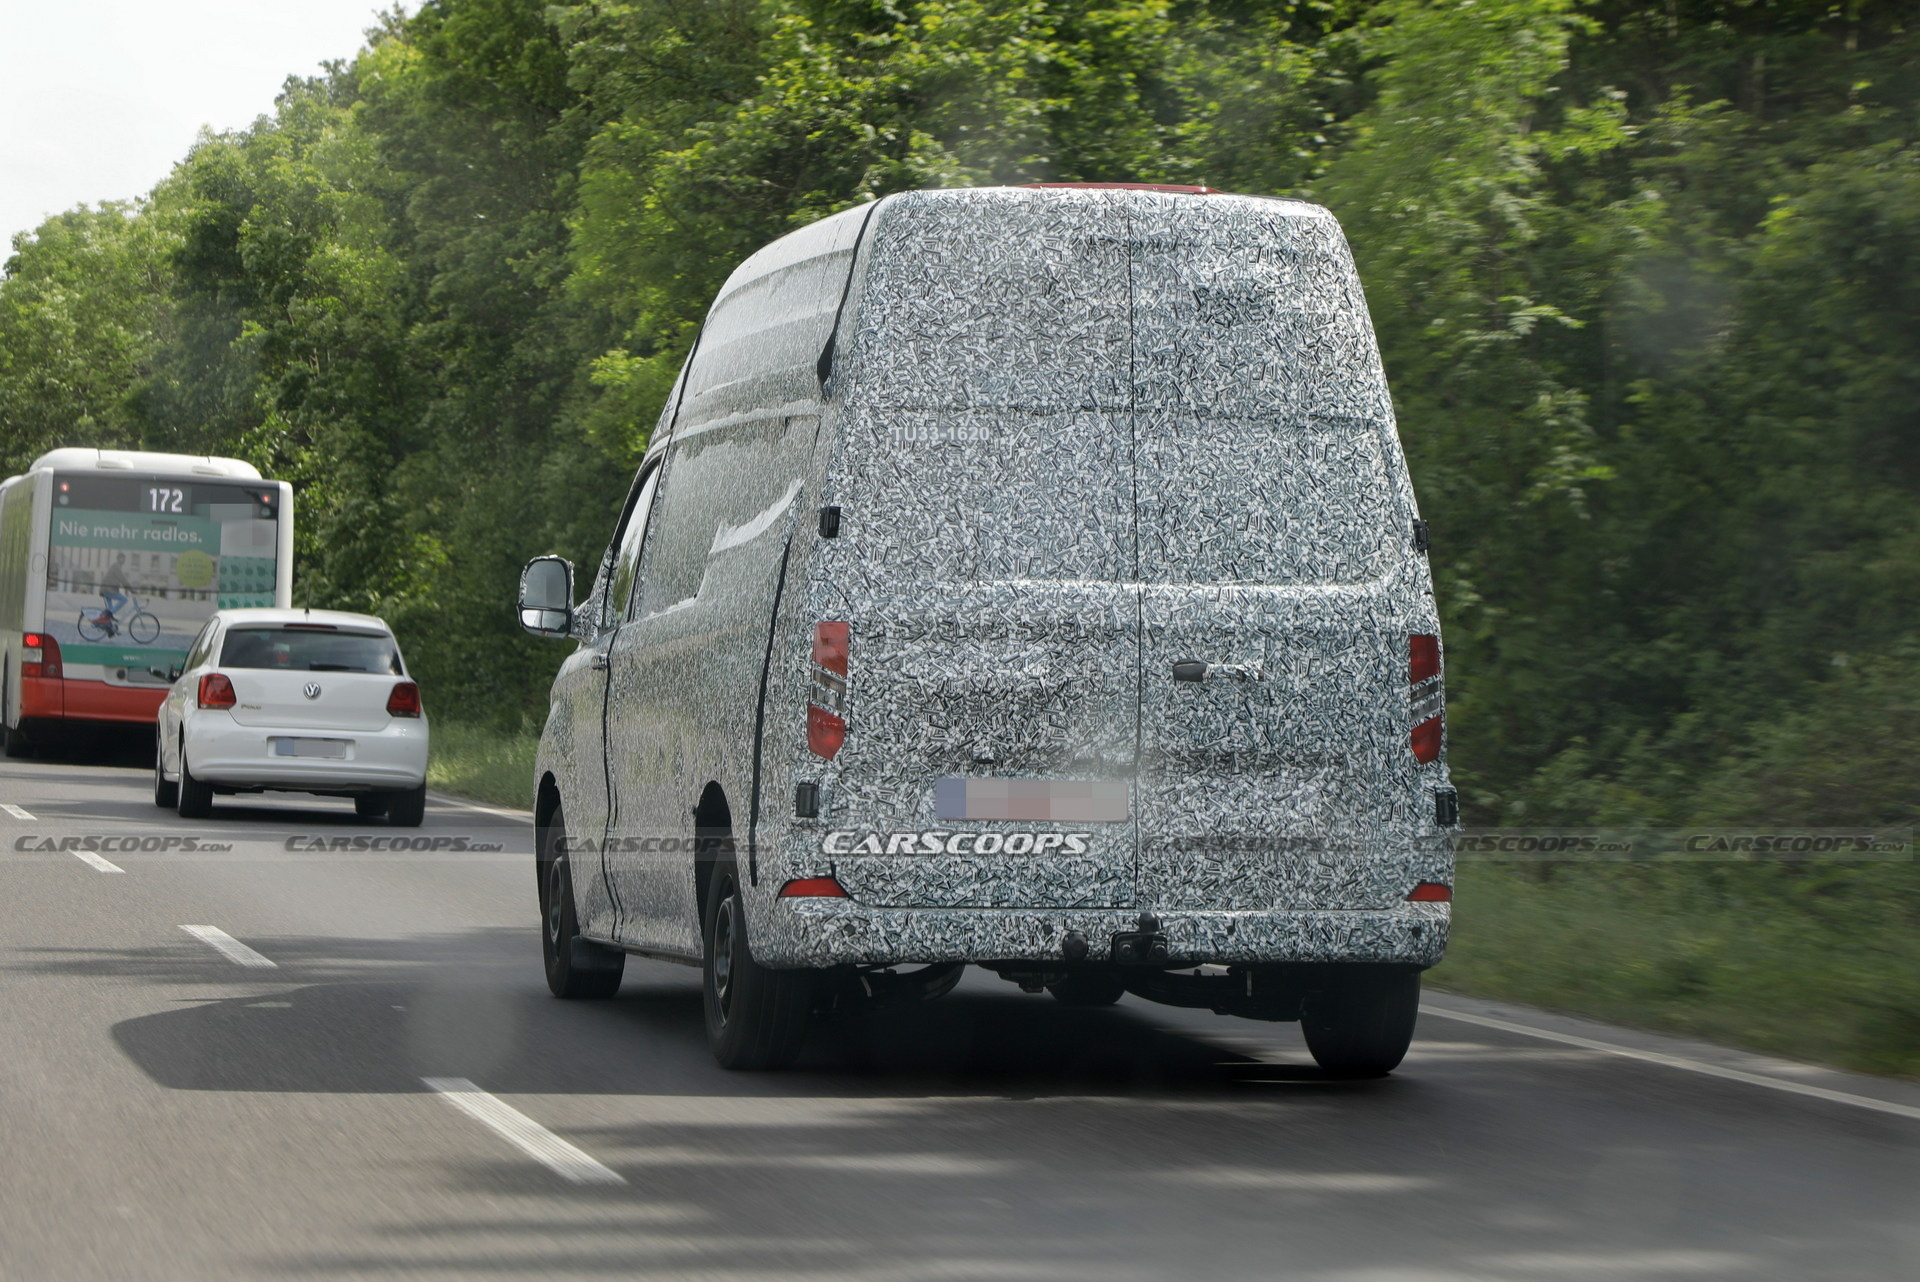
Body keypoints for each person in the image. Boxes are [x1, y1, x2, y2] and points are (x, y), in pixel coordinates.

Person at [98, 554, 131, 626]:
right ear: (118, 559)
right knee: (124, 599)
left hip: (106, 589)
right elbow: (122, 579)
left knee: (110, 612)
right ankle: (110, 613)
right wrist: (131, 589)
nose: (124, 561)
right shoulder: (116, 566)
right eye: (122, 559)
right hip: (107, 590)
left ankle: (109, 628)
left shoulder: (116, 566)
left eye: (124, 559)